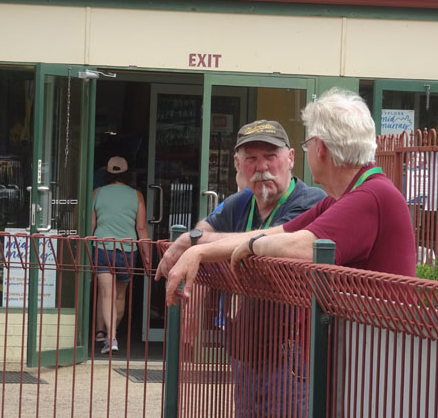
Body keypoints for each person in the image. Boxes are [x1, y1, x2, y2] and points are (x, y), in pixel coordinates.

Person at [163, 90, 415, 416]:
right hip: (355, 358)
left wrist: (252, 247)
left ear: (320, 148)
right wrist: (198, 250)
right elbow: (281, 232)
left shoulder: (369, 196)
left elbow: (300, 245)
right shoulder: (346, 197)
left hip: (371, 366)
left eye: (308, 144)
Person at [155, 119, 326, 417]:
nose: (262, 167)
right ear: (238, 164)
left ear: (290, 158)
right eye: (251, 158)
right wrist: (193, 303)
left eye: (270, 156)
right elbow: (205, 228)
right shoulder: (241, 201)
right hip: (245, 350)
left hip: (291, 354)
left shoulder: (311, 202)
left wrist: (194, 243)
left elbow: (267, 243)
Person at [92, 156, 150, 354]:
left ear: (107, 173)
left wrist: (84, 248)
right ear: (127, 174)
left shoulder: (97, 193)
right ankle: (112, 335)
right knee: (119, 296)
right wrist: (147, 255)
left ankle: (110, 337)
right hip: (127, 249)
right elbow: (141, 227)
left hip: (102, 247)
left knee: (106, 294)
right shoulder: (136, 195)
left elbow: (91, 224)